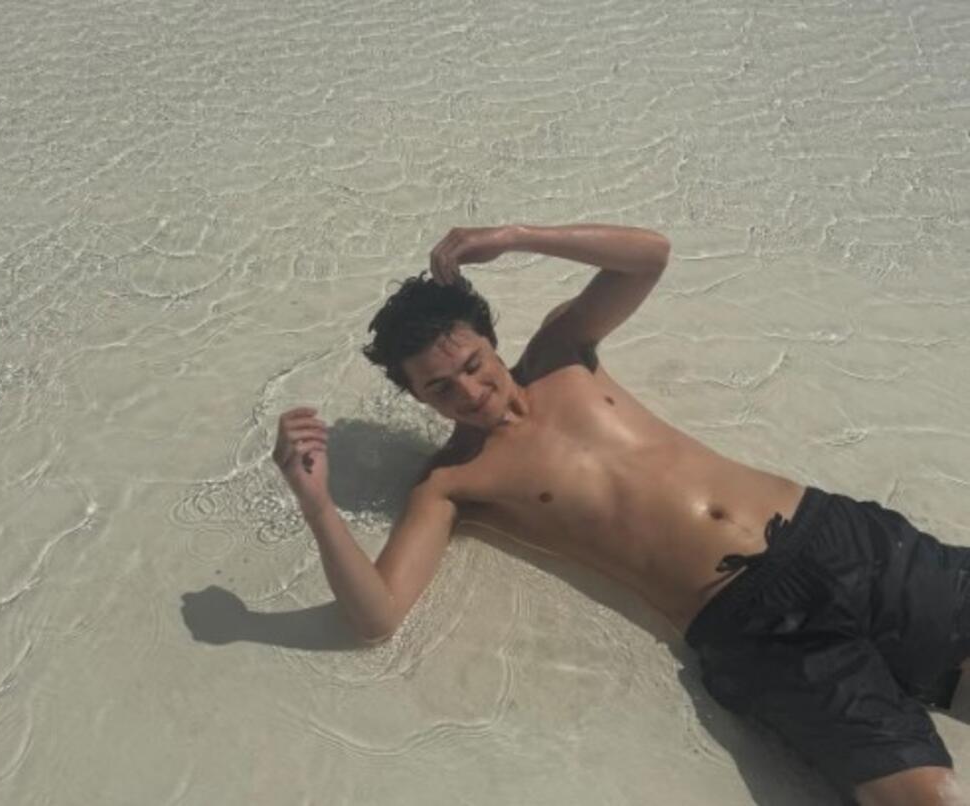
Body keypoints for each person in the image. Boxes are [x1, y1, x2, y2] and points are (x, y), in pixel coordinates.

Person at [271, 223, 970, 805]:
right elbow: (377, 615)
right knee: (926, 799)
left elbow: (649, 257)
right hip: (755, 625)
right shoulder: (451, 483)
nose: (471, 391)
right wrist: (317, 504)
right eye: (440, 388)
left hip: (835, 536)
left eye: (475, 364)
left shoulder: (560, 354)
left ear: (490, 339)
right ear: (417, 397)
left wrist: (515, 236)